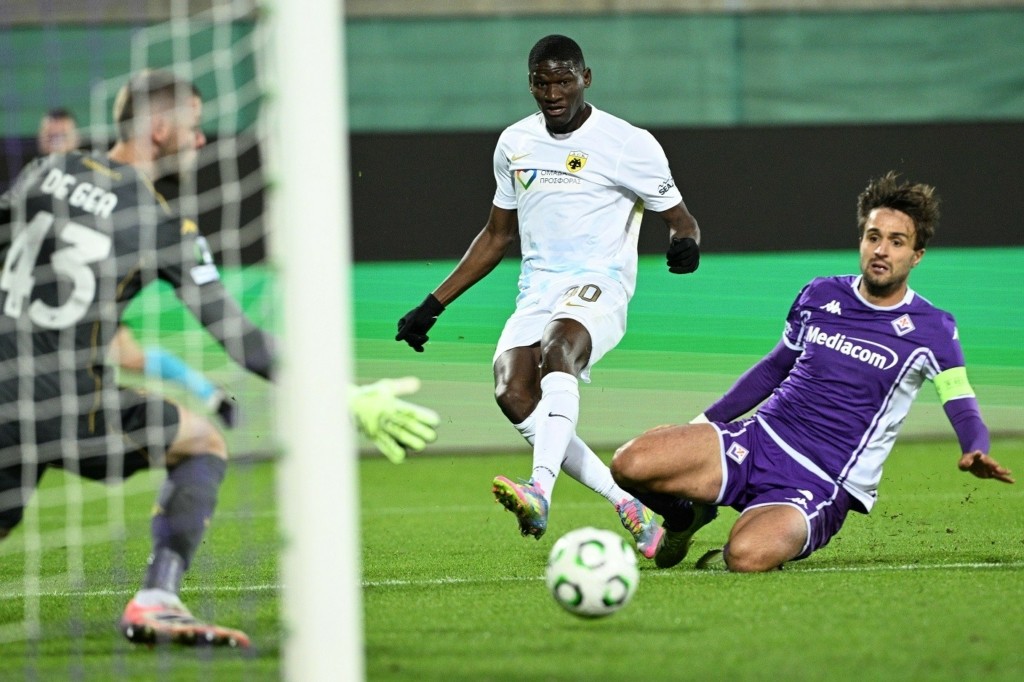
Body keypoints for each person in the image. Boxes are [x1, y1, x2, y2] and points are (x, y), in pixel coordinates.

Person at [0, 69, 438, 648]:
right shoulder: (162, 224)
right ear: (160, 127)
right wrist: (343, 393)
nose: (201, 139)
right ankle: (157, 599)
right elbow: (242, 339)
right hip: (64, 403)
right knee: (202, 441)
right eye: (194, 126)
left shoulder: (47, 170)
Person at [610, 171, 1015, 573]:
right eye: (873, 237)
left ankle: (744, 541)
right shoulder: (821, 294)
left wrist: (975, 447)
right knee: (629, 463)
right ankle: (685, 517)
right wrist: (701, 425)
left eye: (897, 242)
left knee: (746, 556)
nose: (881, 250)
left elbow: (960, 400)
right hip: (760, 438)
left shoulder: (932, 329)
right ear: (862, 240)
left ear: (917, 255)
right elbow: (773, 370)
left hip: (823, 479)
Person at [395, 35, 702, 558]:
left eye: (563, 81)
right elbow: (496, 235)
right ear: (530, 83)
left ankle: (539, 490)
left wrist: (685, 243)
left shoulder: (629, 143)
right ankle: (630, 505)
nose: (553, 93)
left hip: (600, 284)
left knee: (558, 348)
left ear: (586, 78)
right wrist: (433, 303)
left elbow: (681, 218)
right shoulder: (515, 143)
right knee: (512, 391)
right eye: (542, 83)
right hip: (537, 288)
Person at [37, 108, 241, 427]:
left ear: (76, 138)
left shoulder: (99, 180)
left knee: (130, 358)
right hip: (41, 304)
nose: (56, 142)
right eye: (51, 136)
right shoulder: (38, 178)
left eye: (62, 136)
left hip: (85, 304)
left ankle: (209, 396)